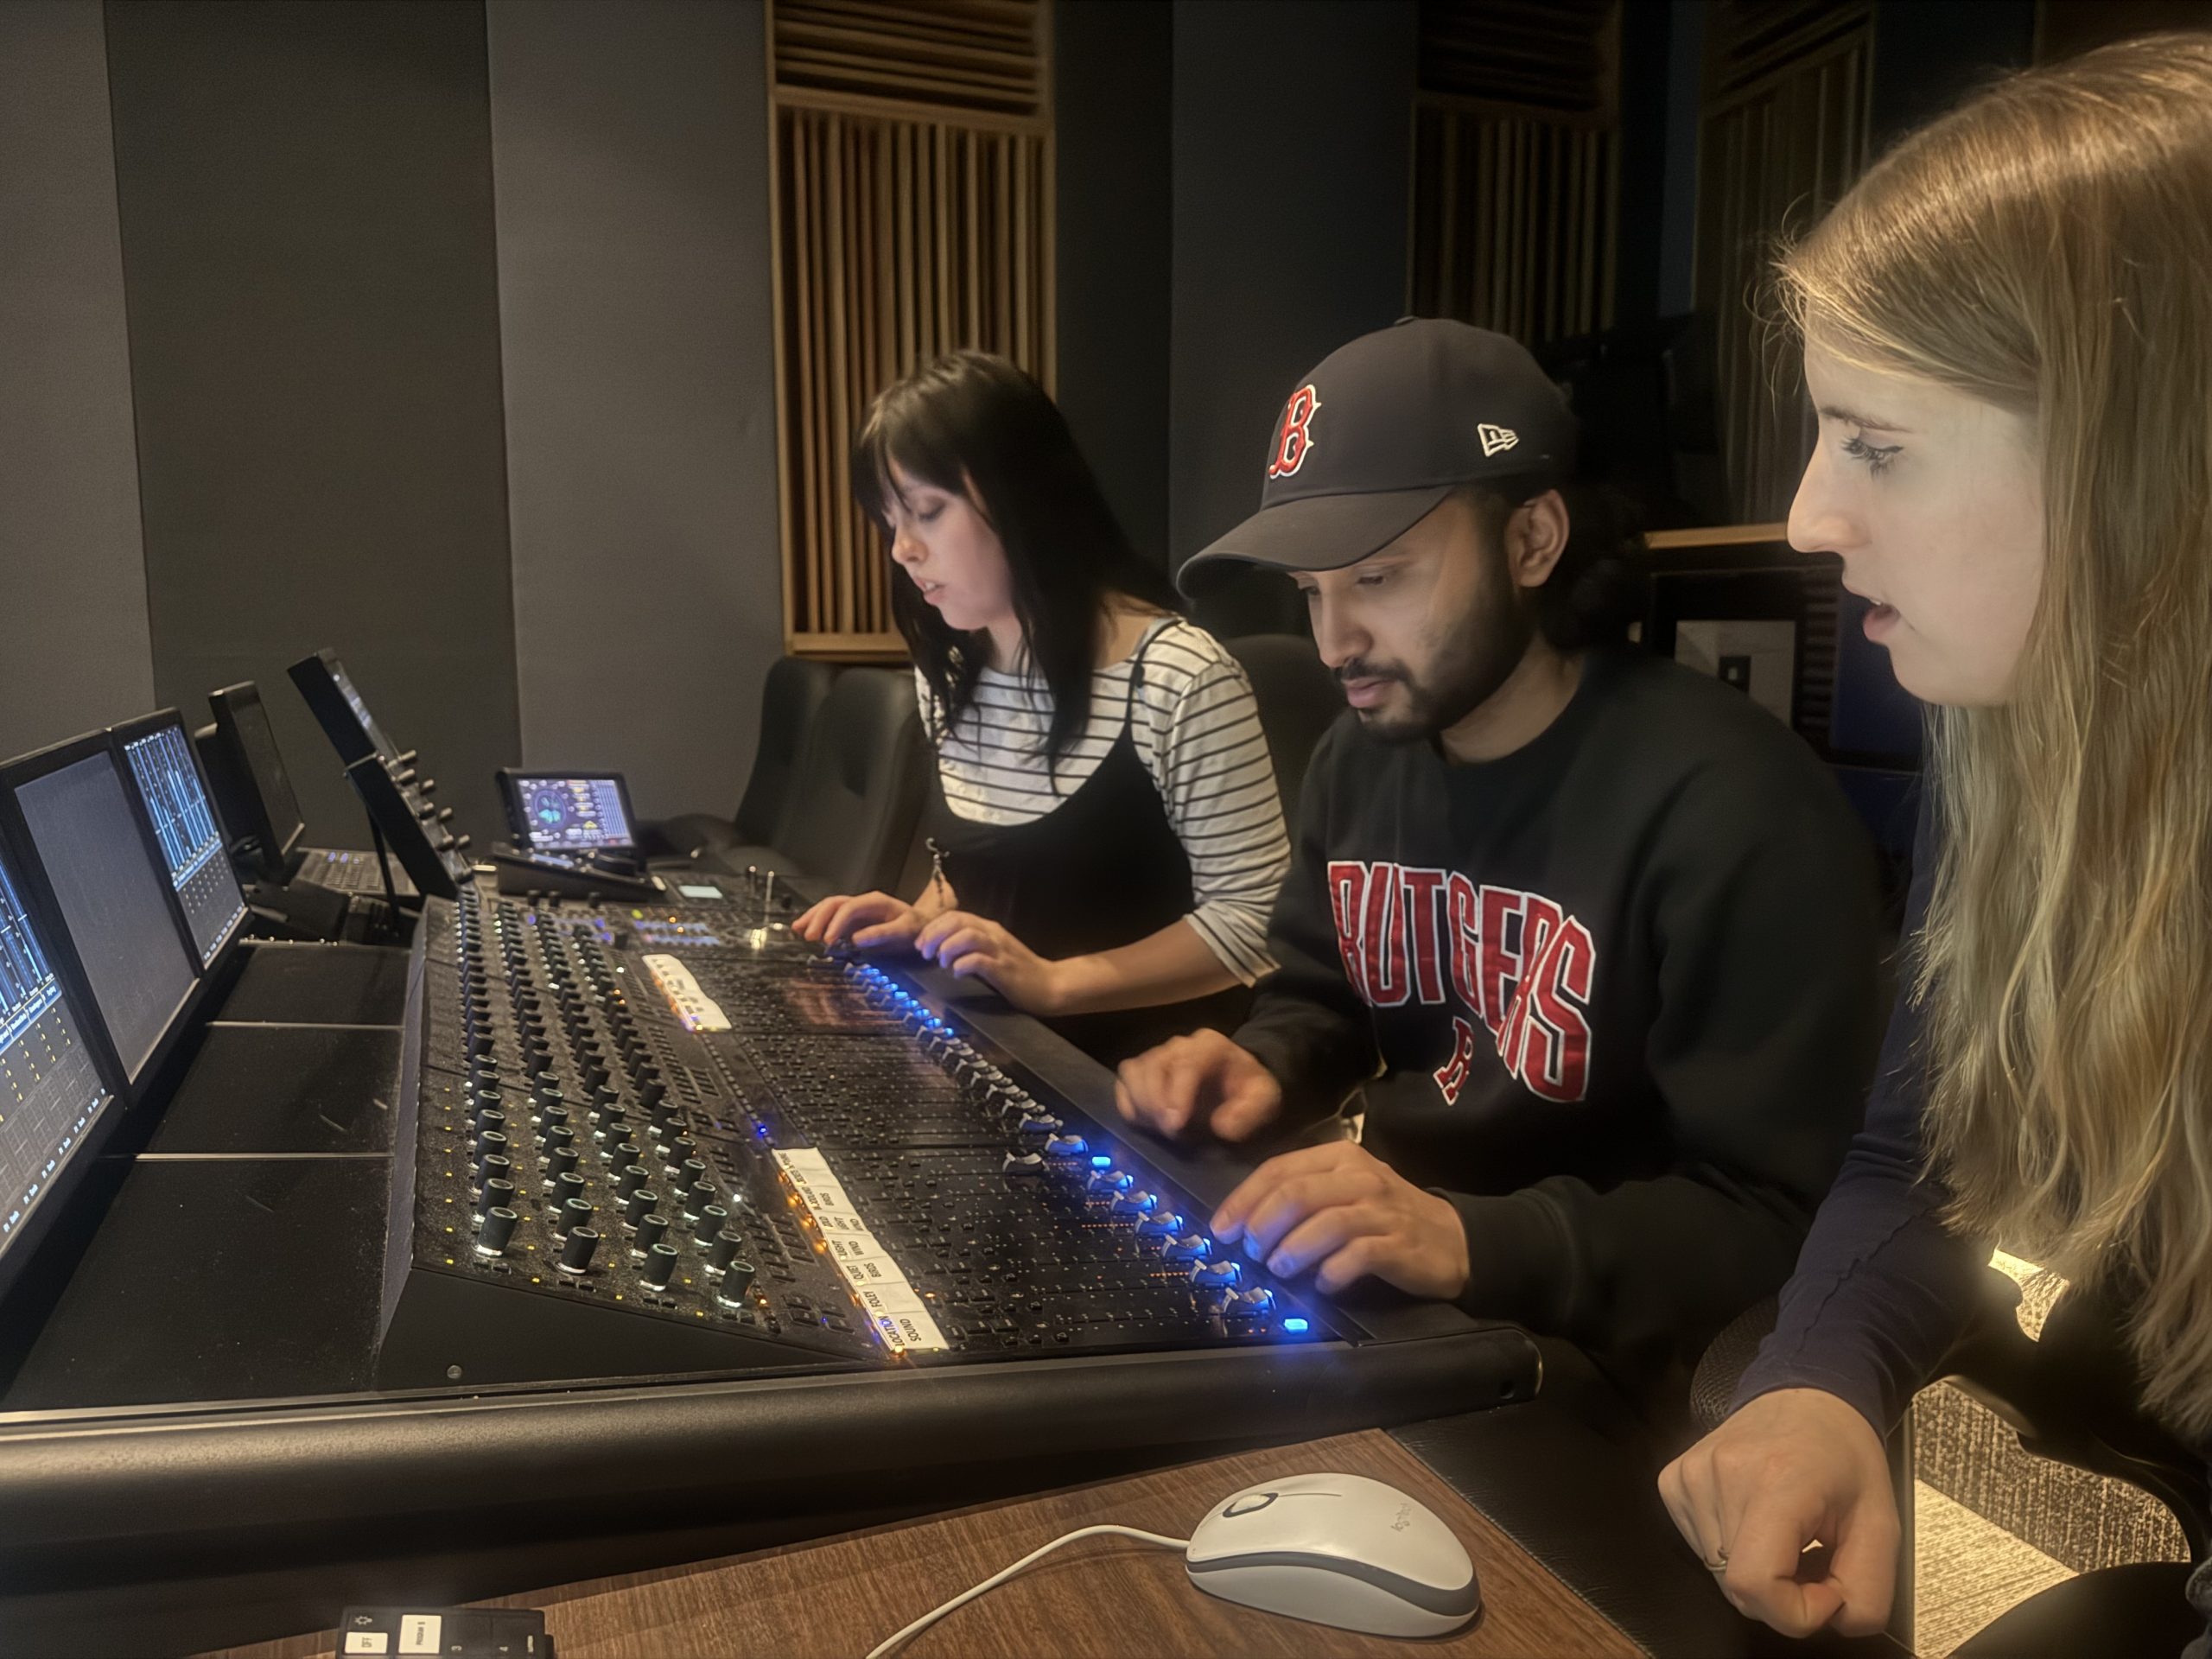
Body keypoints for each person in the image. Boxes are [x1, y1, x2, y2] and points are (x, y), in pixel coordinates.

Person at [1656, 35, 2212, 1656]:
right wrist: (1820, 1374)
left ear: (2146, 464)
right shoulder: (2032, 742)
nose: (1809, 518)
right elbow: (1924, 1150)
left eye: (1877, 443)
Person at [1114, 318, 1884, 1405]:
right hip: (1396, 1286)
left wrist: (1477, 1244)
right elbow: (1321, 996)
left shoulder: (1736, 806)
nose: (1334, 641)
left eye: (1378, 578)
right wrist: (1267, 1064)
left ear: (1531, 542)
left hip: (1596, 1367)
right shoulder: (1355, 760)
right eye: (1310, 593)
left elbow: (1780, 1219)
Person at [794, 352, 1291, 1065]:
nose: (903, 549)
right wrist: (923, 921)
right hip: (997, 1055)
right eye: (889, 522)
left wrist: (1057, 984)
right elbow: (992, 874)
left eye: (927, 512)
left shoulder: (1181, 676)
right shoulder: (954, 668)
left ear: (1022, 494)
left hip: (1146, 1092)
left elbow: (1255, 922)